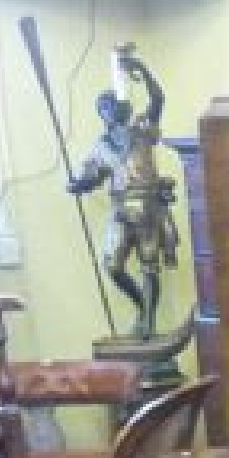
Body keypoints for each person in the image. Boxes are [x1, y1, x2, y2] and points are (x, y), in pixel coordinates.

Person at [68, 43, 179, 339]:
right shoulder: (101, 147)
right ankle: (143, 307)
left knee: (149, 267)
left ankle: (149, 323)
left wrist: (140, 69)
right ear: (101, 115)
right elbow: (92, 177)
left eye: (112, 106)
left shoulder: (142, 128)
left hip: (147, 208)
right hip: (120, 211)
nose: (109, 112)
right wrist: (78, 185)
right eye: (103, 109)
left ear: (122, 108)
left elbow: (159, 99)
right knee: (113, 266)